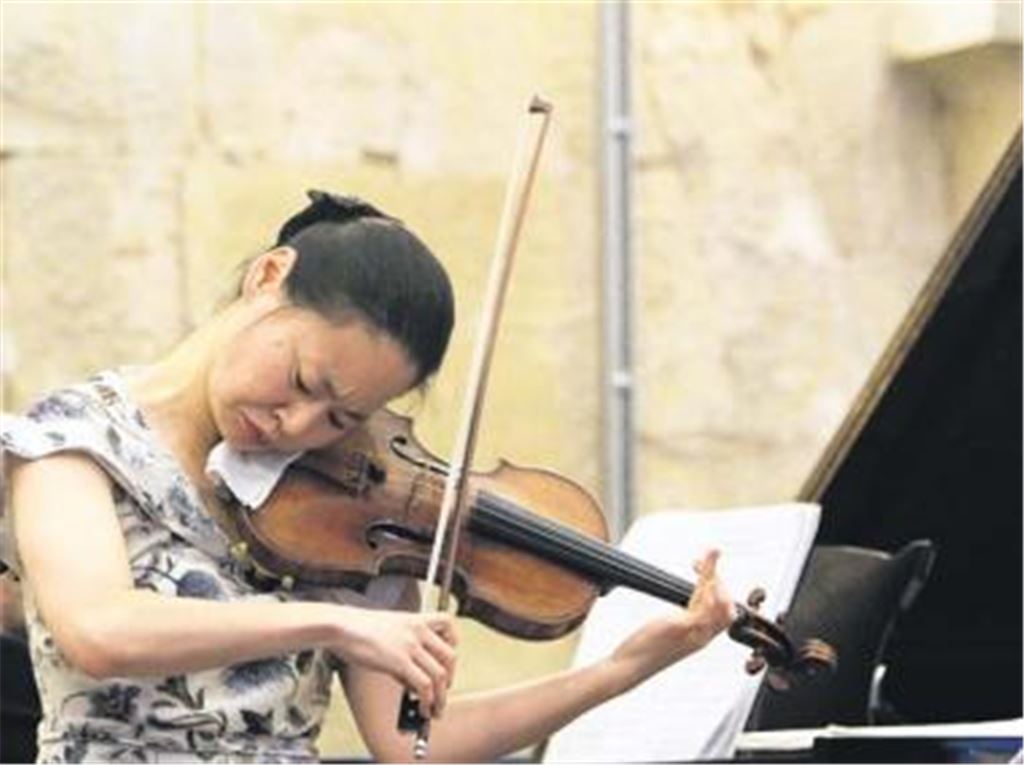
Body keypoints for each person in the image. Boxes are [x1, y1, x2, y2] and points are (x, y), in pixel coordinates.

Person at [0, 190, 735, 763]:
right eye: (302, 378)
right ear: (268, 276)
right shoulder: (71, 440)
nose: (298, 425)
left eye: (340, 417)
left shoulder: (348, 514)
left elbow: (415, 744)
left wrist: (619, 669)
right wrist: (334, 620)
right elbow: (99, 628)